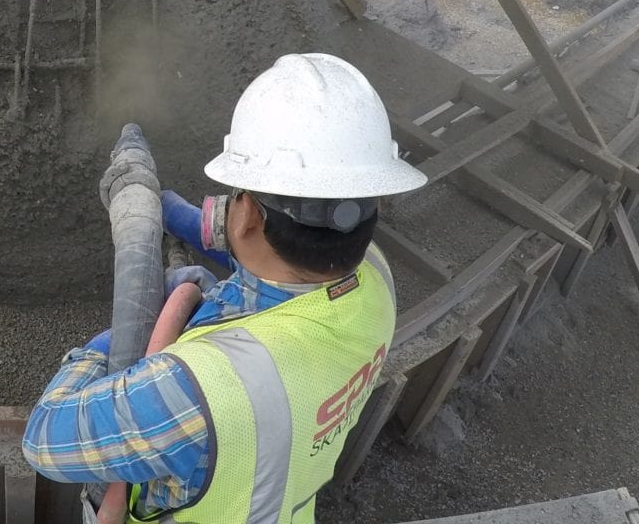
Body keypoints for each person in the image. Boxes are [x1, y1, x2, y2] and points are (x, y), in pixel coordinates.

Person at [23, 53, 429, 524]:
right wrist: (184, 219)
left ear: (250, 217)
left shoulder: (198, 393)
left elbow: (45, 438)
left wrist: (137, 322)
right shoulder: (373, 276)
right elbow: (286, 257)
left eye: (235, 193)